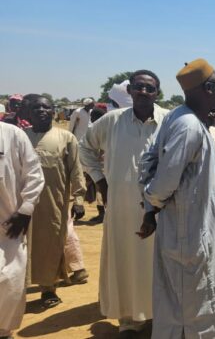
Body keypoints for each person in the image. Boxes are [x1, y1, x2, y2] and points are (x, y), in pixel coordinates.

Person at [138, 58, 215, 338]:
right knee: (196, 305)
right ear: (208, 88)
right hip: (190, 233)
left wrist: (149, 207)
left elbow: (149, 160)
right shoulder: (188, 126)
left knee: (185, 302)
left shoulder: (178, 116)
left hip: (192, 226)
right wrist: (151, 201)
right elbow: (165, 180)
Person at [80, 70, 169, 337]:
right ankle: (130, 321)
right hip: (120, 208)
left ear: (157, 93)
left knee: (159, 264)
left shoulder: (169, 120)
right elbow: (85, 148)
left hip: (161, 211)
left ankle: (159, 317)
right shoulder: (112, 121)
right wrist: (100, 181)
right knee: (125, 263)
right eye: (138, 87)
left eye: (149, 88)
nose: (143, 92)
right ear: (129, 90)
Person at [24, 94, 86, 308]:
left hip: (53, 203)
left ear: (53, 111)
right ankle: (16, 289)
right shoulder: (21, 136)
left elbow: (76, 169)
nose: (41, 111)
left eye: (46, 107)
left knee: (50, 245)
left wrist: (78, 198)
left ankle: (48, 290)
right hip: (21, 204)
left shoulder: (66, 137)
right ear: (29, 113)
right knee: (20, 247)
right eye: (36, 108)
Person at [0, 121, 45, 339]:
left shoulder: (13, 135)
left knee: (10, 280)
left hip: (8, 225)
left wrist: (26, 210)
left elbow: (34, 174)